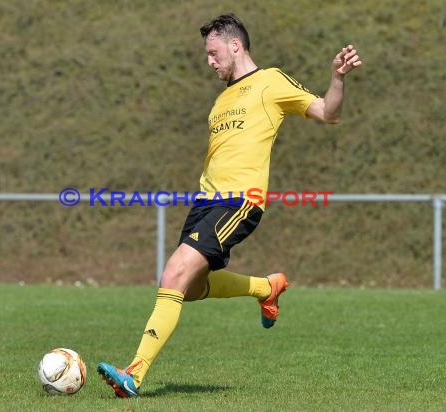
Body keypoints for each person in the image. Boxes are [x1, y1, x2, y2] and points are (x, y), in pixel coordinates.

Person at [97, 13, 362, 398]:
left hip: (240, 200)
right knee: (187, 288)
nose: (209, 61)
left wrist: (337, 79)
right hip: (205, 202)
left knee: (172, 275)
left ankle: (133, 376)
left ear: (235, 45)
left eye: (213, 52)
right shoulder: (221, 100)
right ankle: (266, 287)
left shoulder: (270, 81)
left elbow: (328, 113)